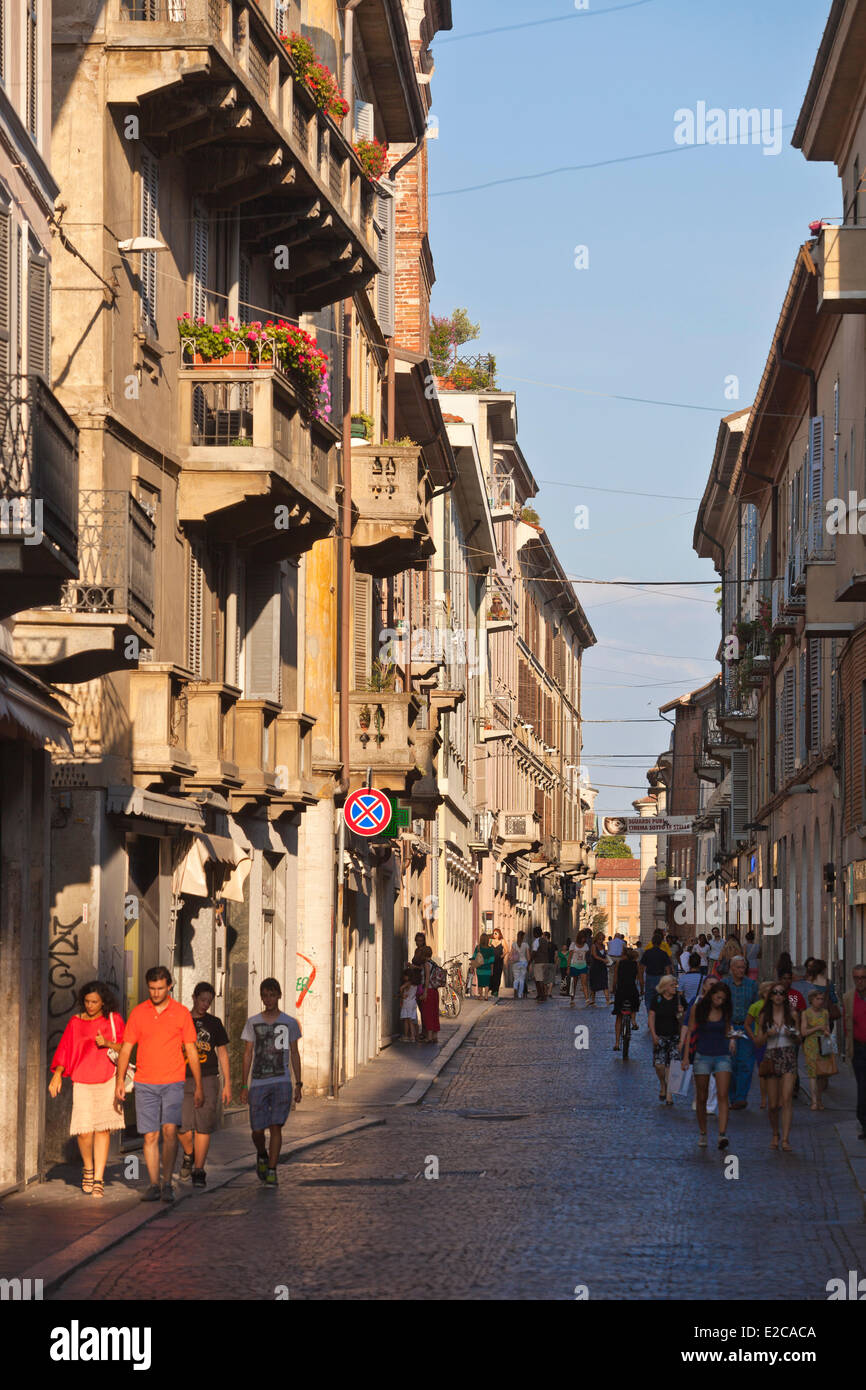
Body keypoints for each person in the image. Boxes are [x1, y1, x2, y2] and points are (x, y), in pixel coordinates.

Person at [113, 966, 202, 1203]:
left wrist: (199, 1085)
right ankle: (153, 1184)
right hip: (145, 1083)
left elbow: (191, 1049)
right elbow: (126, 1049)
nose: (155, 992)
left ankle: (167, 1183)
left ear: (169, 986)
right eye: (151, 988)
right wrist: (120, 1080)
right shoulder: (139, 1013)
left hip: (173, 1081)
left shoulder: (181, 1013)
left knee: (170, 1130)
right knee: (150, 1136)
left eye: (160, 988)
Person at [49, 980, 126, 1198]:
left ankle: (99, 1179)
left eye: (94, 1002)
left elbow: (126, 1045)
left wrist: (107, 1044)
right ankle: (88, 1169)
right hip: (82, 1080)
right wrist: (57, 1074)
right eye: (86, 1001)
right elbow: (66, 1048)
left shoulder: (113, 1019)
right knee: (83, 1131)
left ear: (103, 1003)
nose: (90, 1005)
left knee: (102, 1130)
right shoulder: (75, 1022)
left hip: (107, 1079)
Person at [240, 978, 302, 1188]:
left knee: (276, 1126)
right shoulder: (253, 1022)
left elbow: (294, 1052)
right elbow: (247, 1053)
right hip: (258, 1082)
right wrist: (244, 1085)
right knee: (257, 1130)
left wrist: (299, 1083)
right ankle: (262, 1154)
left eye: (272, 995)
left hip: (281, 1081)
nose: (268, 999)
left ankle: (273, 1170)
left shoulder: (289, 1023)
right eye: (265, 995)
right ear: (261, 997)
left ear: (279, 996)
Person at [178, 982, 230, 1189]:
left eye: (209, 1001)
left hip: (208, 1077)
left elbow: (223, 1053)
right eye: (202, 1000)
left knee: (203, 1126)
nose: (205, 1005)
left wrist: (227, 1084)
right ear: (194, 997)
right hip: (182, 1077)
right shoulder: (182, 1021)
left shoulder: (215, 1023)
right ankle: (189, 1154)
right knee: (181, 1125)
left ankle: (199, 1169)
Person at [681, 979, 734, 1149]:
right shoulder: (699, 1008)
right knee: (702, 1096)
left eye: (723, 999)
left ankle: (722, 1134)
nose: (720, 1002)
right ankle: (703, 1132)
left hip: (722, 1056)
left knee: (723, 1094)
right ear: (712, 996)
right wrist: (686, 1057)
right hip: (702, 1055)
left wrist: (732, 1039)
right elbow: (691, 1031)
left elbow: (727, 1029)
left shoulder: (725, 1010)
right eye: (718, 998)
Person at [755, 982, 800, 1151]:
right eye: (775, 993)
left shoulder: (793, 1015)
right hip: (771, 1056)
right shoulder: (764, 1016)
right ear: (770, 996)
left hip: (788, 1055)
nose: (779, 995)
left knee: (786, 1099)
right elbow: (758, 1042)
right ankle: (775, 1133)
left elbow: (799, 1038)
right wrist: (767, 1034)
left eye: (782, 992)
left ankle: (786, 1139)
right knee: (773, 1105)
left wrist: (793, 1034)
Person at [726, 956, 758, 1110]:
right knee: (730, 1063)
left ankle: (741, 1097)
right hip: (730, 1026)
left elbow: (756, 1007)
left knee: (745, 1063)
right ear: (732, 968)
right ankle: (732, 1096)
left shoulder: (752, 985)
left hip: (746, 1027)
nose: (741, 970)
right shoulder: (725, 984)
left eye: (743, 967)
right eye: (738, 967)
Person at [649, 975, 685, 1103]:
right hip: (660, 1036)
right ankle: (663, 1085)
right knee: (659, 1066)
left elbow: (684, 1021)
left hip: (674, 1036)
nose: (675, 987)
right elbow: (651, 1017)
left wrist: (681, 1014)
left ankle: (669, 1095)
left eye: (675, 984)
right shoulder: (657, 999)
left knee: (672, 1066)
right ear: (664, 987)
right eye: (672, 985)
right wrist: (653, 1035)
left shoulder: (679, 999)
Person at [842, 964, 866, 1140]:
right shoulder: (849, 998)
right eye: (856, 978)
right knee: (862, 1086)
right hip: (859, 1049)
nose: (860, 981)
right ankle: (864, 1122)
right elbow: (847, 1025)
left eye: (863, 977)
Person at [801, 988, 834, 1110]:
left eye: (821, 999)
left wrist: (826, 1031)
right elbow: (803, 1032)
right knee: (812, 1074)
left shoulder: (825, 1013)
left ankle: (819, 1099)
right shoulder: (806, 1013)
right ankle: (814, 1101)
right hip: (811, 1045)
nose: (820, 1001)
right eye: (817, 999)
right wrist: (817, 1028)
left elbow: (827, 1029)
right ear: (811, 1000)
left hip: (822, 1045)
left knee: (822, 1074)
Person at [745, 981, 775, 1109]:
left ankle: (775, 1098)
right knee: (763, 1072)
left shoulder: (778, 1005)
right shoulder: (756, 1006)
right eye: (767, 990)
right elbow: (747, 1024)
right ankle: (764, 1099)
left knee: (775, 1071)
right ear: (762, 993)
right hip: (762, 1041)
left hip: (777, 1041)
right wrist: (754, 1038)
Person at [612, 948, 641, 1048]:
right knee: (635, 1003)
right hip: (632, 990)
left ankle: (616, 1043)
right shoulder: (636, 964)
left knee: (618, 1016)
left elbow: (615, 979)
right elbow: (640, 979)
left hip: (621, 991)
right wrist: (642, 990)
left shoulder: (618, 964)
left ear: (623, 955)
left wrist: (613, 989)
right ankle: (633, 1020)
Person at [639, 931, 669, 1015]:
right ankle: (658, 1015)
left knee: (648, 999)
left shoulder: (647, 953)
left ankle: (650, 1015)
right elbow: (668, 969)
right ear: (660, 943)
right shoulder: (663, 953)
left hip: (649, 977)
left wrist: (641, 982)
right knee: (660, 997)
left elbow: (641, 968)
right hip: (660, 978)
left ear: (652, 942)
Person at [418, 946, 441, 1041]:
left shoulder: (427, 964)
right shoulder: (434, 963)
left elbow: (427, 978)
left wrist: (425, 992)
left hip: (429, 991)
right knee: (434, 1013)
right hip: (435, 991)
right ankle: (435, 1036)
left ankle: (429, 1037)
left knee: (427, 1013)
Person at [587, 931, 610, 1007]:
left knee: (604, 983)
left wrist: (608, 960)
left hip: (602, 967)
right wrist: (603, 960)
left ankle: (608, 1000)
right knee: (594, 984)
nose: (601, 941)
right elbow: (595, 955)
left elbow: (604, 955)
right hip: (595, 967)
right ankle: (593, 1000)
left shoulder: (603, 946)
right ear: (596, 939)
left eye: (602, 939)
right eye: (600, 939)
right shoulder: (594, 946)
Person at [399, 967, 421, 1042]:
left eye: (405, 975)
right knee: (411, 1020)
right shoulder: (415, 984)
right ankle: (413, 1036)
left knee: (406, 1020)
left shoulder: (408, 983)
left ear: (408, 976)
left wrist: (402, 995)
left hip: (407, 1003)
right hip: (413, 1003)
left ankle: (406, 1036)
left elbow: (401, 988)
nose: (404, 977)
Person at [568, 933, 589, 1007]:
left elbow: (587, 957)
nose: (584, 939)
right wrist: (568, 968)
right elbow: (569, 957)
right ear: (580, 938)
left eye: (585, 938)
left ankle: (587, 1000)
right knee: (574, 984)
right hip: (574, 966)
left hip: (583, 966)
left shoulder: (586, 945)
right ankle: (572, 1000)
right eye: (583, 938)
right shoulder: (573, 945)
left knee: (584, 984)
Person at [471, 933, 495, 1001]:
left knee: (480, 983)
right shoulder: (490, 949)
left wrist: (472, 966)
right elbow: (492, 960)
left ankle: (481, 996)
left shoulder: (478, 948)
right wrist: (492, 970)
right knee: (487, 983)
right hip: (487, 968)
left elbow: (474, 957)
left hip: (480, 968)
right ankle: (486, 996)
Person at [511, 930, 530, 999]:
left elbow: (512, 954)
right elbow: (528, 956)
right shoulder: (526, 945)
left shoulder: (514, 944)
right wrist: (529, 964)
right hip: (524, 963)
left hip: (516, 963)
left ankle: (515, 989)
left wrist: (510, 960)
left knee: (516, 979)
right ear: (523, 937)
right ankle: (520, 994)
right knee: (522, 979)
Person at [490, 927, 506, 998]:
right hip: (492, 961)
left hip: (499, 961)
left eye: (496, 933)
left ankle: (496, 991)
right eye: (493, 933)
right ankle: (492, 990)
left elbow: (507, 950)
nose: (494, 934)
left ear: (499, 934)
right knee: (492, 975)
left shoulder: (502, 941)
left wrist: (502, 956)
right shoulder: (490, 940)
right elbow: (488, 948)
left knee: (498, 976)